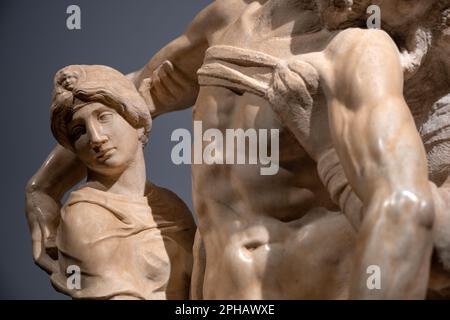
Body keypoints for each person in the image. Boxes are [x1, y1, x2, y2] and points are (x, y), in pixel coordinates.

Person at [26, 0, 450, 299]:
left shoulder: (358, 51)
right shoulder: (227, 22)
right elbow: (126, 97)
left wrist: (326, 153)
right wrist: (42, 187)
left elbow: (402, 209)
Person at [43, 65, 196, 299]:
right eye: (79, 131)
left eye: (103, 117)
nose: (96, 137)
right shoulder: (84, 216)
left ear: (135, 118)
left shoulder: (171, 207)